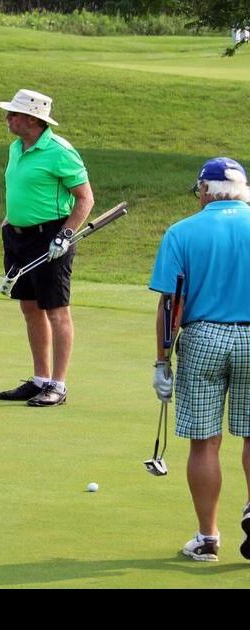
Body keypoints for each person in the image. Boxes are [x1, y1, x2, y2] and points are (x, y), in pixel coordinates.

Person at [150, 157, 250, 562]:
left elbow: (170, 302)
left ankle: (208, 538)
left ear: (205, 191)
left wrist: (161, 362)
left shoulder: (182, 232)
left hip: (204, 336)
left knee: (205, 442)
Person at [0, 89, 94, 407]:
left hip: (50, 238)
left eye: (13, 114)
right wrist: (11, 218)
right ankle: (39, 380)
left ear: (32, 120)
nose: (7, 118)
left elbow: (85, 198)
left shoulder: (60, 151)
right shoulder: (16, 147)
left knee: (56, 310)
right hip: (18, 237)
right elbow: (22, 187)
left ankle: (58, 385)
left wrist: (64, 235)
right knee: (30, 307)